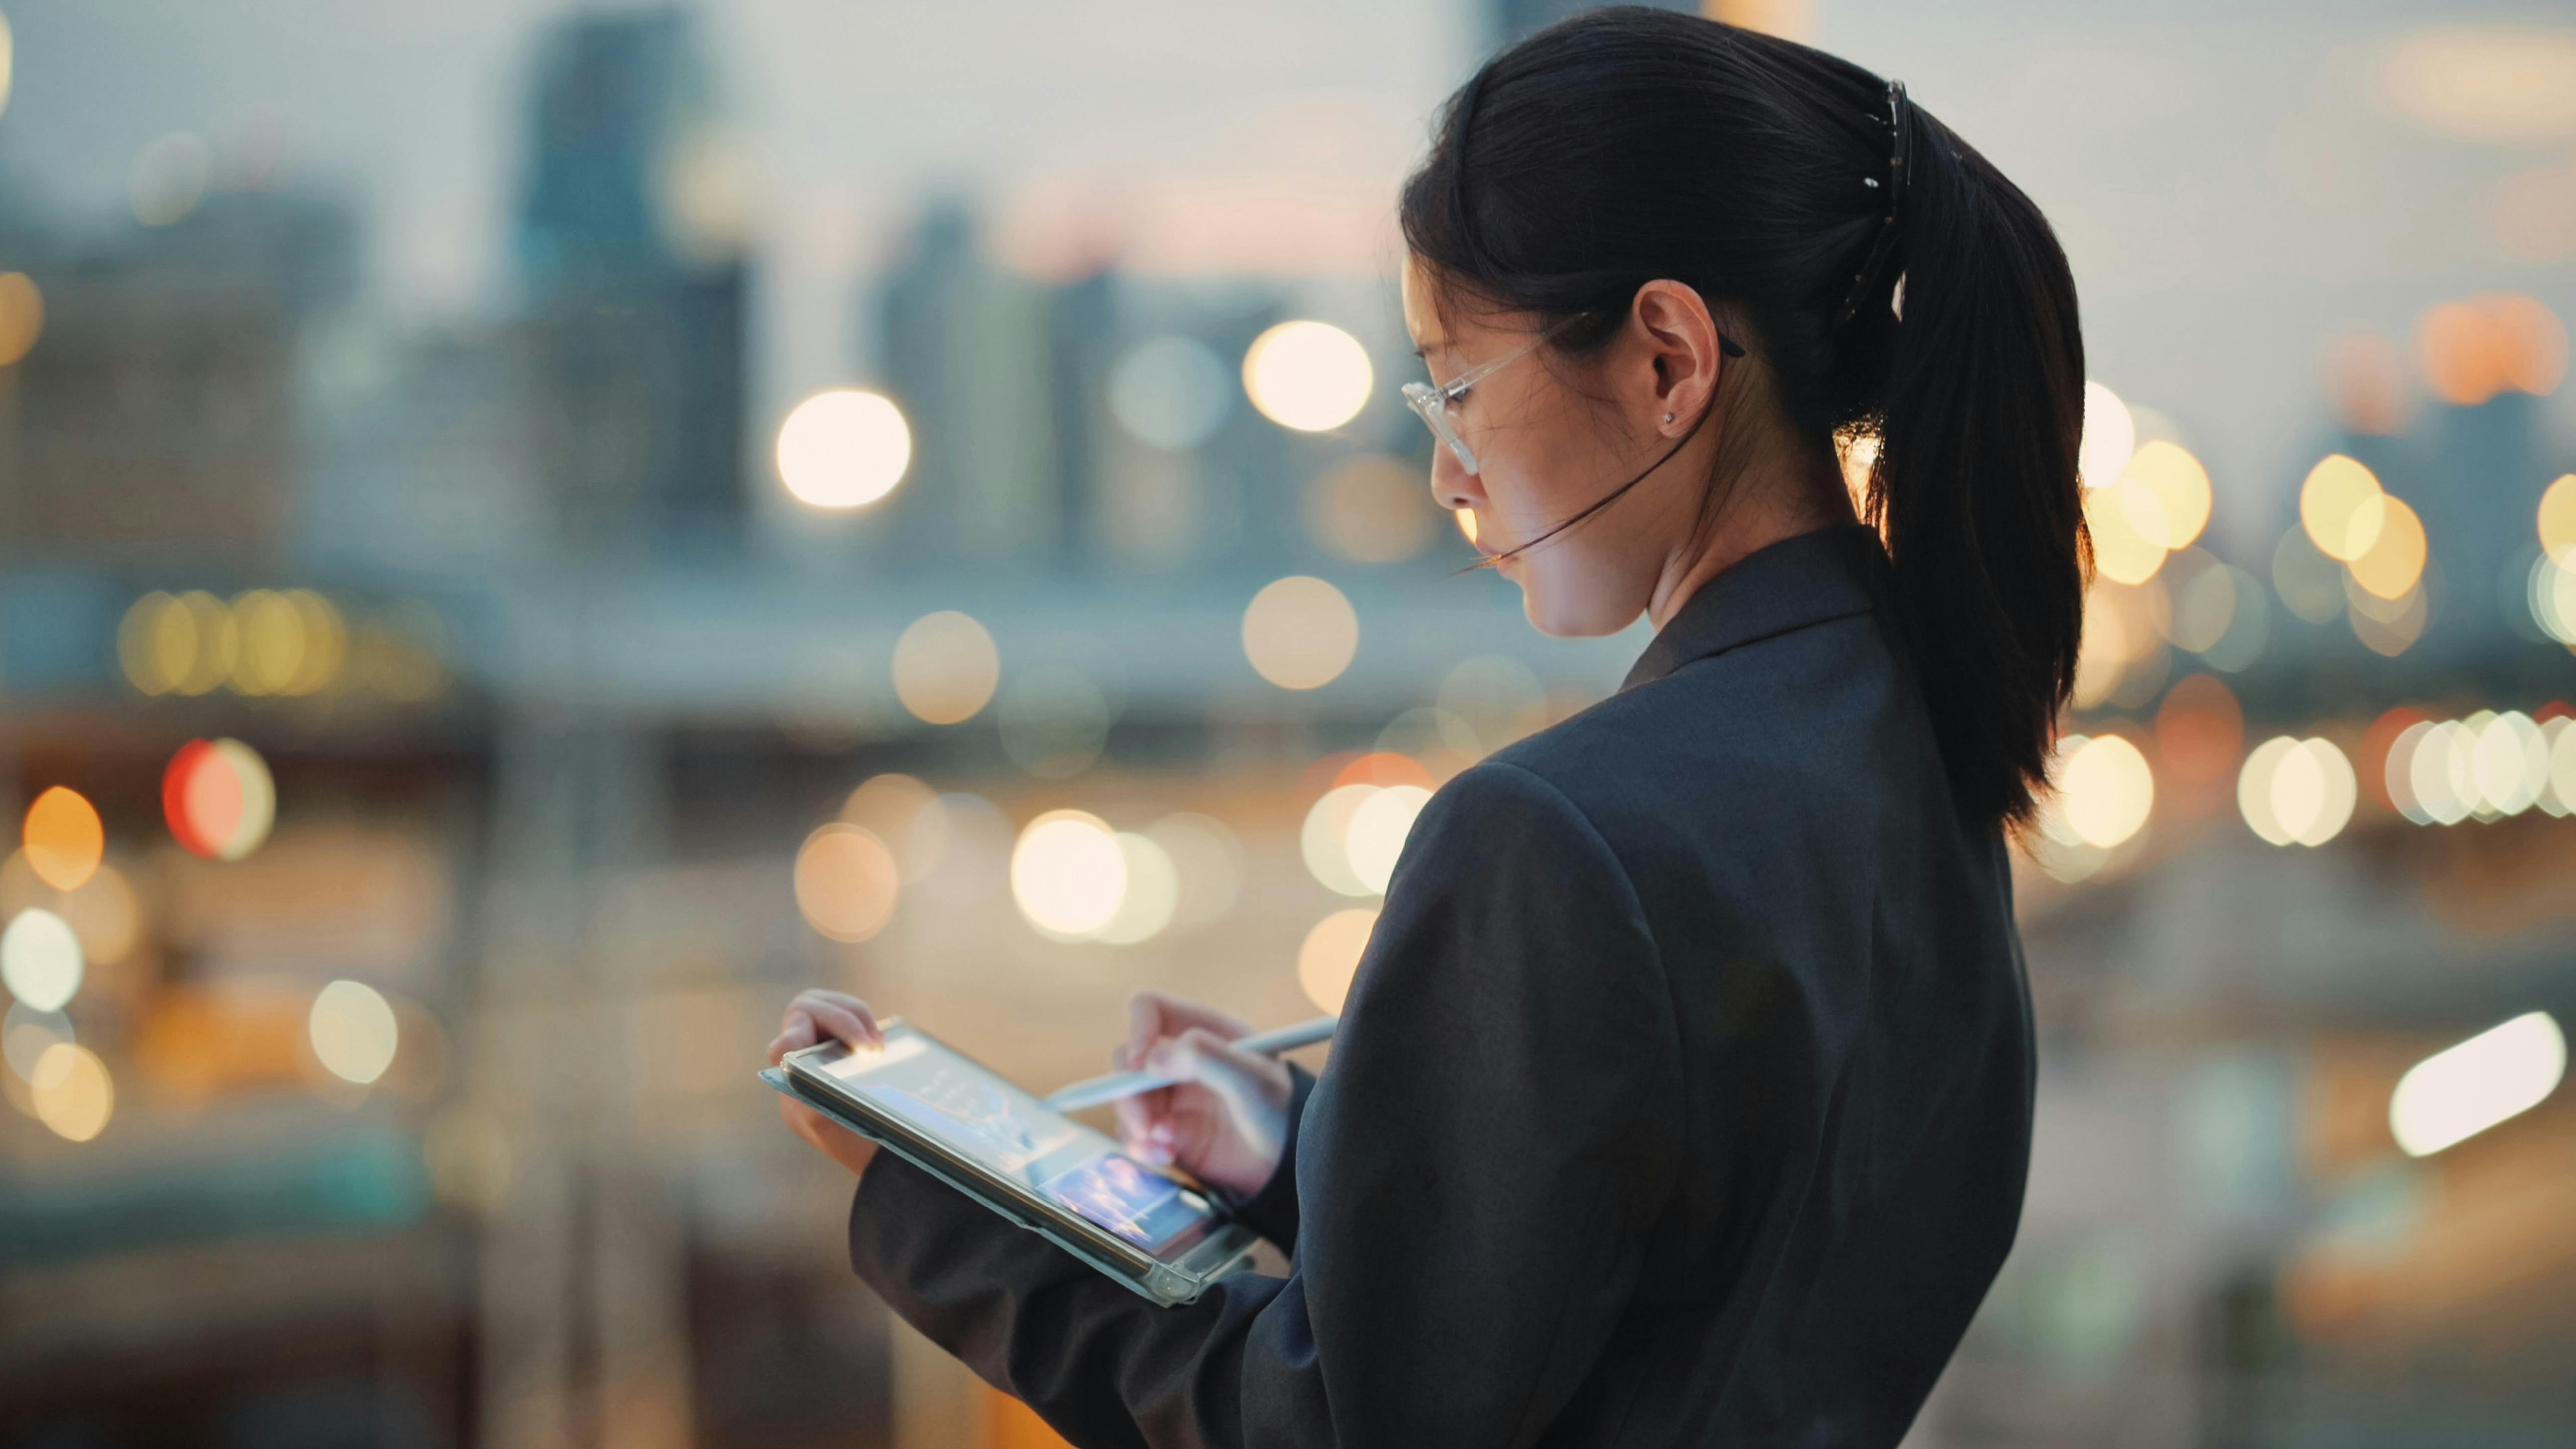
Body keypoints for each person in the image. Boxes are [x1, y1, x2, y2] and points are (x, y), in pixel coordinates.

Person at [770, 6, 2084, 1444]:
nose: (1448, 472)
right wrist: (1304, 1148)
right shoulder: (1919, 740)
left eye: (1457, 385)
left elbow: (1330, 1427)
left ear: (1667, 361)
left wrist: (937, 1207)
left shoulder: (1552, 837)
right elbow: (1695, 1255)